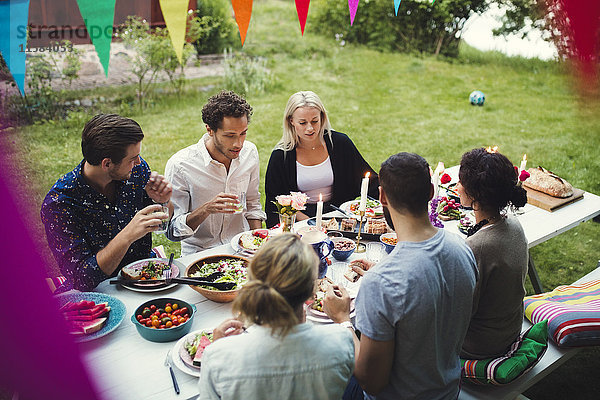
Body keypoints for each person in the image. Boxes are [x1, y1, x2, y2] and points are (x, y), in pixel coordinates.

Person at [324, 152, 477, 400]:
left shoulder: (381, 284)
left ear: (382, 196)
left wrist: (342, 320)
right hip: (448, 391)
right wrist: (383, 276)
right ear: (431, 192)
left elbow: (371, 382)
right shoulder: (462, 249)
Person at [198, 233, 354, 400]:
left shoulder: (218, 357)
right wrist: (345, 321)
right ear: (312, 294)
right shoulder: (341, 342)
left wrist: (222, 350)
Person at [41, 114, 173, 292]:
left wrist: (163, 201)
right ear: (107, 163)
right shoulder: (59, 204)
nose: (139, 162)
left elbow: (164, 223)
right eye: (132, 158)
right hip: (100, 292)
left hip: (146, 278)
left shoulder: (137, 171)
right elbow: (81, 278)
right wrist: (127, 236)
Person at [165, 91, 266, 255]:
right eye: (230, 135)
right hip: (200, 253)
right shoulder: (180, 165)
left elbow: (253, 203)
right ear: (210, 130)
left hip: (242, 248)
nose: (238, 143)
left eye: (243, 133)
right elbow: (173, 231)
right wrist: (206, 209)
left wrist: (258, 244)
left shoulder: (250, 153)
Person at [264, 91, 379, 227]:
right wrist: (310, 223)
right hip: (301, 221)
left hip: (338, 215)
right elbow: (276, 202)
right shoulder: (280, 156)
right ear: (291, 121)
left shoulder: (340, 143)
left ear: (322, 117)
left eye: (315, 121)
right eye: (302, 123)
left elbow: (370, 181)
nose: (310, 128)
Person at [457, 147, 529, 359]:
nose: (457, 186)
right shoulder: (514, 225)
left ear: (474, 195)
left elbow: (461, 312)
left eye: (461, 182)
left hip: (479, 346)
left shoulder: (477, 246)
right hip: (510, 329)